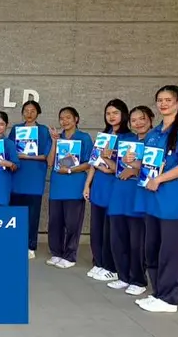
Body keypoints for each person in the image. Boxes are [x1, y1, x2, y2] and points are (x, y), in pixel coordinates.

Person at [135, 85, 178, 313]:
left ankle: (169, 299)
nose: (163, 104)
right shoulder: (154, 134)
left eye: (168, 100)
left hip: (172, 203)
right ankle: (158, 292)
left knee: (170, 253)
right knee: (152, 250)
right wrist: (133, 160)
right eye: (160, 100)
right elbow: (146, 163)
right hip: (152, 201)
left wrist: (160, 179)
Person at [106, 105, 154, 297]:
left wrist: (134, 170)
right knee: (118, 239)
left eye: (142, 118)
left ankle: (138, 280)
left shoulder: (155, 141)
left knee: (137, 242)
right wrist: (104, 157)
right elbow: (116, 169)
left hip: (139, 197)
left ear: (151, 119)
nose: (138, 123)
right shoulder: (126, 141)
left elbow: (158, 168)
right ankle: (123, 276)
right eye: (134, 120)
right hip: (119, 195)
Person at [83, 99, 132, 282]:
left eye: (115, 113)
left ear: (123, 115)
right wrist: (87, 184)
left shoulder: (129, 138)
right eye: (108, 113)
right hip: (99, 186)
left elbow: (122, 168)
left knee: (111, 231)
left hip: (115, 187)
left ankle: (112, 267)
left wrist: (108, 166)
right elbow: (93, 163)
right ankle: (99, 262)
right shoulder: (104, 136)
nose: (111, 116)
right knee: (97, 228)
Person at [46, 107, 93, 269]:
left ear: (76, 119)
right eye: (61, 118)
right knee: (55, 222)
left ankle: (70, 256)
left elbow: (90, 163)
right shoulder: (58, 137)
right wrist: (54, 142)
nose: (64, 121)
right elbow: (50, 162)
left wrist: (70, 170)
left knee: (73, 223)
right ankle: (57, 253)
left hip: (75, 186)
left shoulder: (84, 138)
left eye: (68, 117)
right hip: (57, 186)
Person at [8, 101, 52, 259]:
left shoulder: (43, 130)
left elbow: (46, 156)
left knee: (32, 214)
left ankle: (30, 245)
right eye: (26, 110)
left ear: (38, 113)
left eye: (32, 111)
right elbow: (9, 151)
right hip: (16, 177)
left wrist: (25, 156)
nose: (29, 113)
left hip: (34, 177)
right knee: (15, 213)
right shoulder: (16, 129)